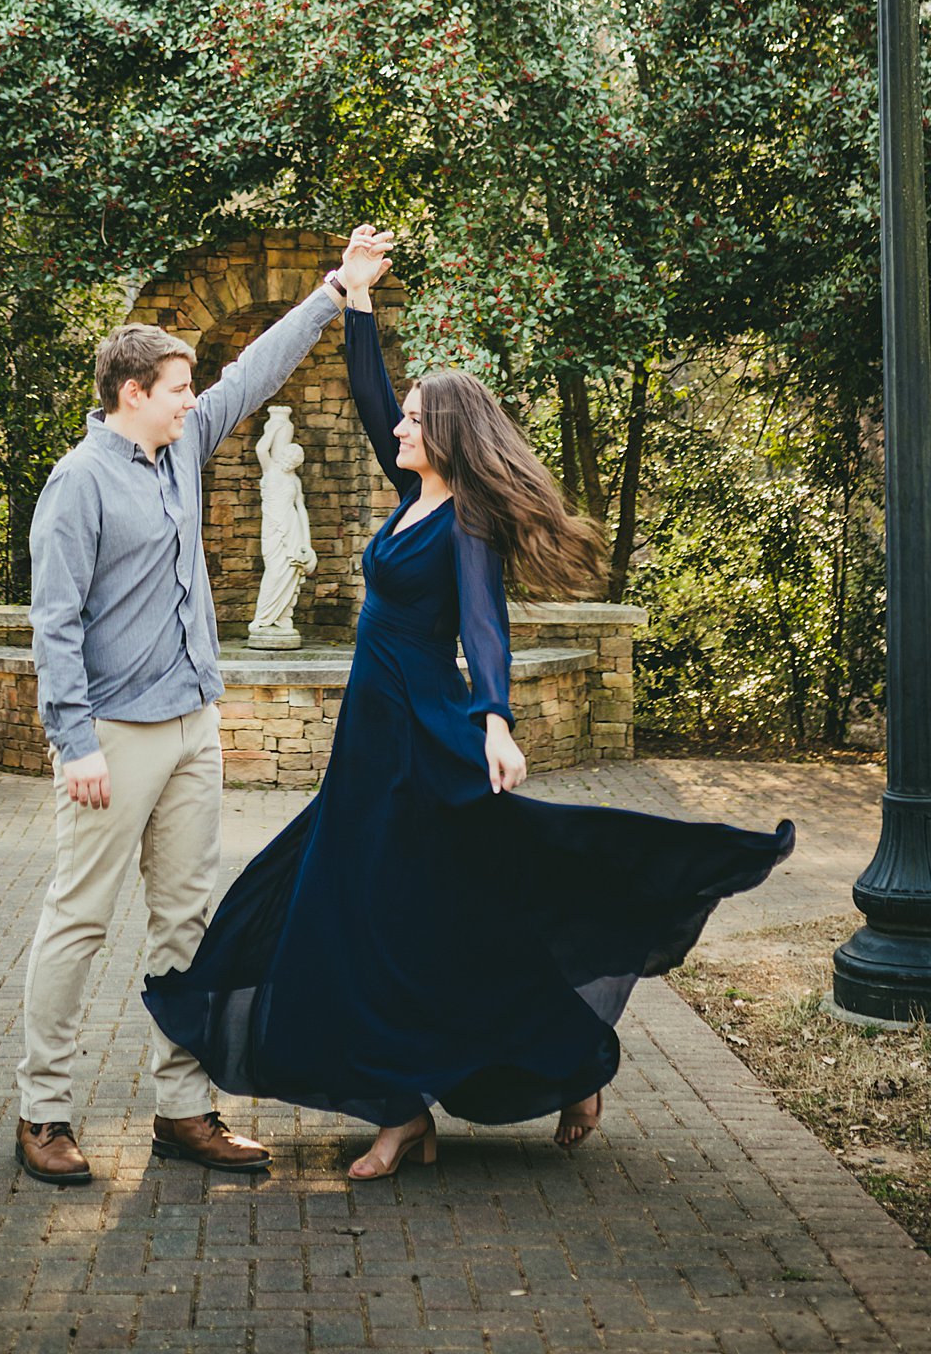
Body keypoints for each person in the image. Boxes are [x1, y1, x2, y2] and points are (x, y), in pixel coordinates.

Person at [144, 229, 794, 1180]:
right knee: (360, 919)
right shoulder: (411, 492)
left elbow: (483, 626)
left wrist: (494, 718)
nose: (398, 429)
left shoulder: (469, 522)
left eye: (414, 422)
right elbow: (370, 397)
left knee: (435, 921)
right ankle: (406, 1107)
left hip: (422, 739)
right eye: (401, 420)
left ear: (445, 435)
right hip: (367, 745)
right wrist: (354, 306)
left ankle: (530, 1075)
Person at [14, 229, 383, 1186]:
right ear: (132, 392)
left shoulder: (180, 453)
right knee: (79, 919)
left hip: (191, 727)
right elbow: (51, 623)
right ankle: (42, 1113)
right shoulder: (77, 483)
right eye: (179, 387)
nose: (193, 397)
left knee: (184, 923)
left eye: (191, 388)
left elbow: (255, 372)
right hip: (112, 739)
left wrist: (335, 291)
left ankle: (181, 1110)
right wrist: (74, 741)